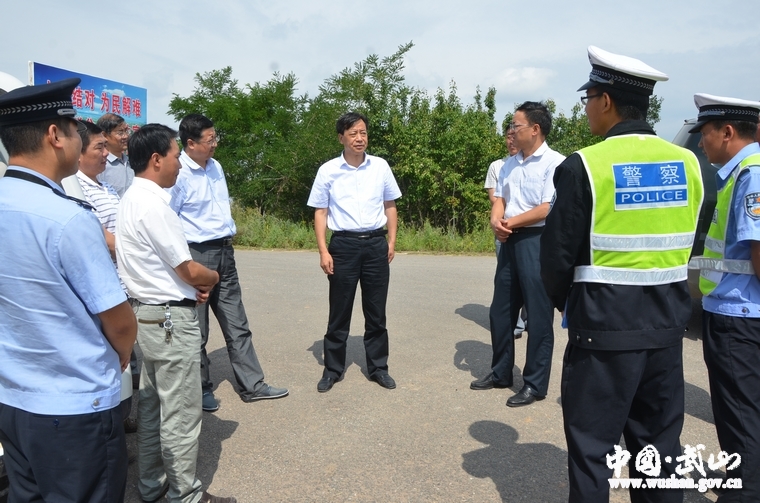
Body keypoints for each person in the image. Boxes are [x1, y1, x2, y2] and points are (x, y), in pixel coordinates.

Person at [540, 46, 703, 502]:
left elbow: (555, 261)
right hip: (667, 332)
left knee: (593, 453)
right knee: (659, 454)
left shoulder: (584, 165)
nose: (587, 108)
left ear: (605, 101)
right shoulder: (688, 163)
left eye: (587, 98)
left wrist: (574, 305)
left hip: (603, 336)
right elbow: (683, 240)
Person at [0, 78, 137, 502]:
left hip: (13, 399)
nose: (82, 141)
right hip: (74, 409)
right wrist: (118, 358)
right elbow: (119, 322)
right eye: (77, 131)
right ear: (55, 135)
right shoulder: (68, 218)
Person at [116, 123, 235, 503]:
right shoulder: (155, 205)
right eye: (173, 156)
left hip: (147, 315)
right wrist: (212, 276)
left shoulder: (130, 199)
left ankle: (151, 485)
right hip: (169, 322)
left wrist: (188, 288)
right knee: (181, 413)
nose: (179, 165)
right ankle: (186, 494)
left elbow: (159, 268)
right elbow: (188, 268)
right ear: (156, 159)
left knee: (151, 405)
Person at [169, 113, 288, 412]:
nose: (215, 145)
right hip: (196, 254)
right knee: (198, 328)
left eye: (215, 138)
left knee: (237, 322)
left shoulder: (215, 167)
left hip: (225, 251)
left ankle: (253, 385)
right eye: (210, 141)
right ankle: (201, 389)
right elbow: (168, 220)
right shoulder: (178, 173)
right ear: (190, 143)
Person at [689, 94, 760, 501]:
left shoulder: (751, 174)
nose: (701, 142)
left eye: (706, 133)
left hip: (739, 318)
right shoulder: (739, 173)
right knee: (741, 419)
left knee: (742, 422)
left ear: (727, 132)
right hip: (734, 312)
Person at [470, 101, 564, 408]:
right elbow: (500, 197)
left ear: (535, 129)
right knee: (500, 311)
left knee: (538, 315)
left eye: (516, 125)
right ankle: (500, 373)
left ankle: (535, 384)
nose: (511, 130)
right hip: (510, 240)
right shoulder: (510, 163)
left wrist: (508, 222)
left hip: (537, 241)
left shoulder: (554, 163)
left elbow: (546, 208)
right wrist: (496, 220)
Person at [307, 111, 402, 393]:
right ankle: (333, 370)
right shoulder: (328, 171)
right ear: (341, 138)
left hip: (375, 244)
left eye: (363, 132)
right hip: (343, 246)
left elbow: (390, 205)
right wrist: (323, 250)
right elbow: (320, 212)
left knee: (376, 312)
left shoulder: (381, 167)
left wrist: (392, 242)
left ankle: (378, 368)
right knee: (339, 311)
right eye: (353, 134)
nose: (360, 138)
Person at [76, 120, 139, 433]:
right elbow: (103, 238)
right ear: (78, 152)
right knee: (111, 357)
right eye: (99, 147)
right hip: (103, 287)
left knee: (119, 362)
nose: (106, 153)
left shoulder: (103, 185)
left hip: (119, 281)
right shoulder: (76, 187)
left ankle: (117, 417)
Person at [484, 131, 527, 338]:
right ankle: (515, 322)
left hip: (529, 228)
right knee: (506, 275)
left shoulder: (535, 163)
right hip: (504, 226)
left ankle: (527, 317)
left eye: (515, 135)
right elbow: (495, 198)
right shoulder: (498, 166)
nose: (512, 140)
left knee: (530, 277)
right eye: (508, 136)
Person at [97, 112, 133, 197]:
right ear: (104, 135)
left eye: (126, 131)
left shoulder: (131, 163)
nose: (126, 136)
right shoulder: (100, 165)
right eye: (120, 132)